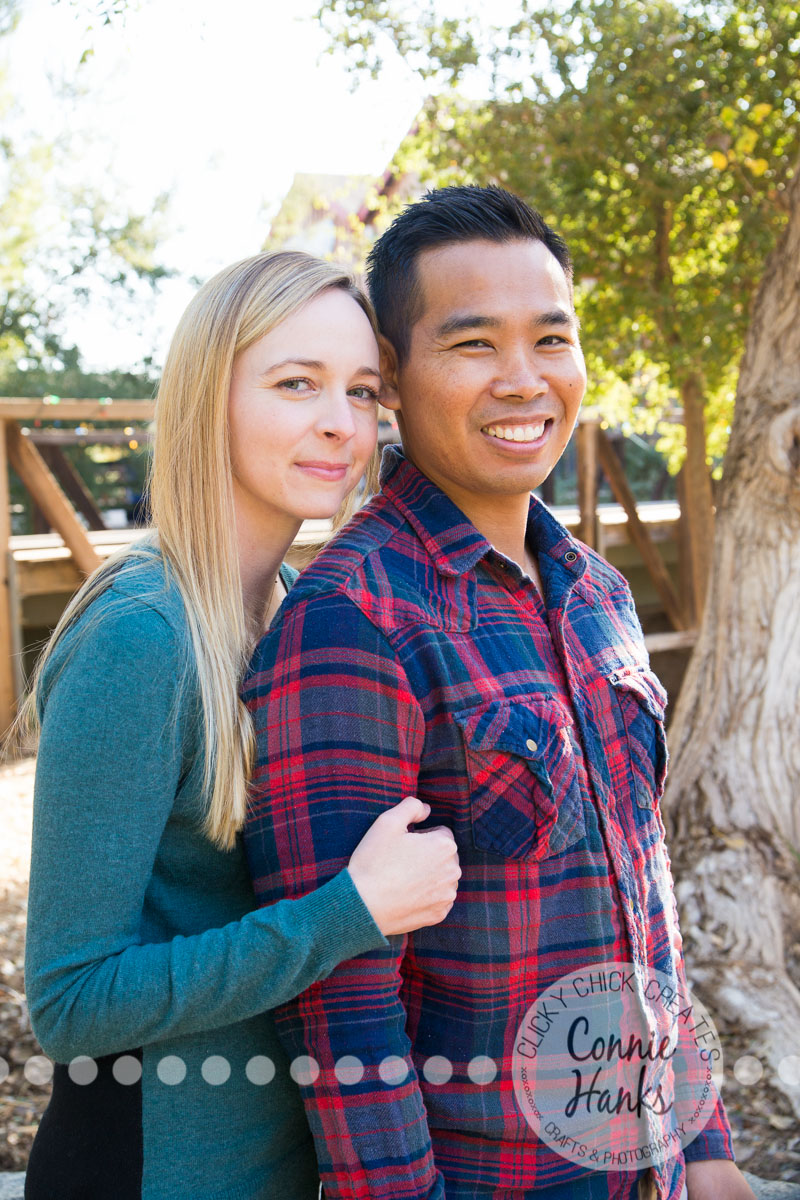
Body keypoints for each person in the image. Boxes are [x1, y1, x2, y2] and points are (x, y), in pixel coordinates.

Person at [242, 189, 756, 1200]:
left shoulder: (597, 597)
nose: (522, 381)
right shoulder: (355, 619)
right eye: (472, 344)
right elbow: (339, 1004)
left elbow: (638, 904)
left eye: (549, 339)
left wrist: (703, 1144)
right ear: (391, 377)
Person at [18, 250, 460, 1200]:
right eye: (296, 384)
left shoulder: (296, 608)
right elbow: (69, 1002)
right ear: (208, 397)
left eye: (361, 389)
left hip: (285, 1161)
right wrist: (352, 913)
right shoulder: (143, 638)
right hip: (155, 1172)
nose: (340, 422)